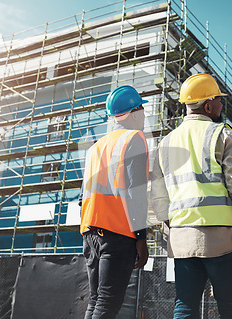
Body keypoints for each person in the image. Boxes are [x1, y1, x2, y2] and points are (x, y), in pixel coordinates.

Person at [151, 73, 232, 319]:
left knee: (185, 306)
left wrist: (177, 226)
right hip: (222, 239)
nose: (223, 105)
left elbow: (158, 198)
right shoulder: (220, 133)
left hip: (182, 241)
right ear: (208, 105)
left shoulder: (165, 143)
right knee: (231, 309)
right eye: (220, 100)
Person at [80, 85, 149, 318]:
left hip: (90, 232)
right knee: (108, 303)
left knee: (95, 301)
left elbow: (83, 197)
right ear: (134, 111)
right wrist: (141, 237)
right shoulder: (134, 139)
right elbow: (136, 192)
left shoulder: (96, 147)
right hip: (118, 232)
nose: (144, 114)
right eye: (141, 109)